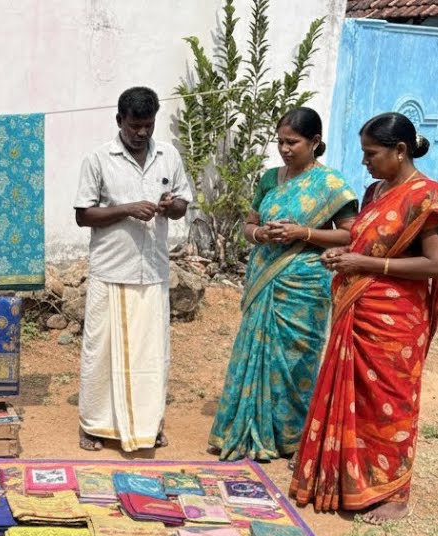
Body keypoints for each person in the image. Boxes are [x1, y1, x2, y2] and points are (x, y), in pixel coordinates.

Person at [290, 112, 438, 524]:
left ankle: (393, 493)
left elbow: (437, 264)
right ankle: (345, 477)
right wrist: (342, 254)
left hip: (395, 320)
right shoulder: (374, 191)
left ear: (399, 151)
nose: (364, 161)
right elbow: (364, 241)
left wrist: (365, 264)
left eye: (371, 153)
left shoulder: (425, 197)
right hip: (358, 309)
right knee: (357, 398)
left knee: (388, 403)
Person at [208, 108, 358, 461]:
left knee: (294, 360)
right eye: (280, 142)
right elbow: (248, 225)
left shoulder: (332, 185)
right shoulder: (269, 179)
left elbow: (350, 234)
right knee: (253, 352)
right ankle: (243, 428)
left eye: (293, 142)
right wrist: (260, 233)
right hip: (265, 277)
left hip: (304, 283)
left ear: (314, 142)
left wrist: (302, 232)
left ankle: (289, 435)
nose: (285, 149)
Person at [73, 86, 192, 452]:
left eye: (148, 125)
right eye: (134, 125)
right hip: (111, 269)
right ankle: (93, 425)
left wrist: (171, 206)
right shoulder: (98, 159)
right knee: (100, 353)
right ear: (119, 121)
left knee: (152, 355)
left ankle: (148, 424)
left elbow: (182, 205)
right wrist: (127, 209)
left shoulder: (168, 156)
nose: (141, 132)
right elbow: (83, 215)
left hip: (152, 271)